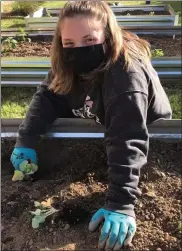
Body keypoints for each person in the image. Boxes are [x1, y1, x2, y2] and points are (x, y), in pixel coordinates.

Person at [10, 1, 172, 250]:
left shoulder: (125, 76)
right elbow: (48, 95)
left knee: (123, 137)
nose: (78, 50)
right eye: (69, 44)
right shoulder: (67, 62)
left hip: (141, 125)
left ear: (107, 36)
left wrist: (121, 204)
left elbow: (128, 137)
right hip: (101, 111)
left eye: (89, 39)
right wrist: (26, 139)